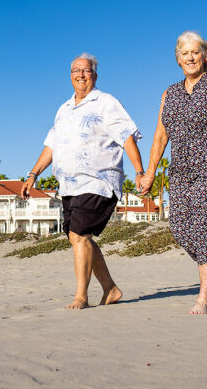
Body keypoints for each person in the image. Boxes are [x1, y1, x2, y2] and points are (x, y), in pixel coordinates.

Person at [22, 53, 145, 309]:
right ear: (70, 76)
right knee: (78, 237)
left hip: (99, 181)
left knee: (79, 235)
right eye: (76, 70)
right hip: (69, 185)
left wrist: (139, 170)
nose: (81, 74)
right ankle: (110, 289)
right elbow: (51, 146)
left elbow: (126, 136)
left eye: (86, 70)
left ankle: (81, 296)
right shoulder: (64, 109)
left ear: (94, 75)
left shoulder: (106, 102)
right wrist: (33, 175)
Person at [138, 31, 207, 315]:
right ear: (178, 59)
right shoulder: (170, 93)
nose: (190, 57)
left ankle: (203, 296)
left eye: (195, 52)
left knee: (204, 227)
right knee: (181, 228)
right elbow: (160, 137)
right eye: (185, 53)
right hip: (181, 171)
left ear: (204, 56)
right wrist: (150, 173)